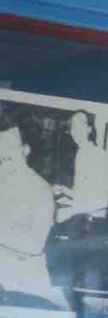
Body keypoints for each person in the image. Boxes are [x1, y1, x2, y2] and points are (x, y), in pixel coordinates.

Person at [0, 116, 66, 308]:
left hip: (26, 283)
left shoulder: (40, 190)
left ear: (25, 150)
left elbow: (34, 244)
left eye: (9, 147)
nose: (4, 155)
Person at [53, 111, 108, 222]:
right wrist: (63, 190)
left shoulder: (98, 155)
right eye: (73, 126)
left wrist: (71, 211)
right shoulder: (81, 153)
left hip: (93, 222)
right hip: (82, 216)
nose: (75, 130)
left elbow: (103, 201)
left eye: (79, 125)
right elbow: (83, 194)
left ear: (89, 129)